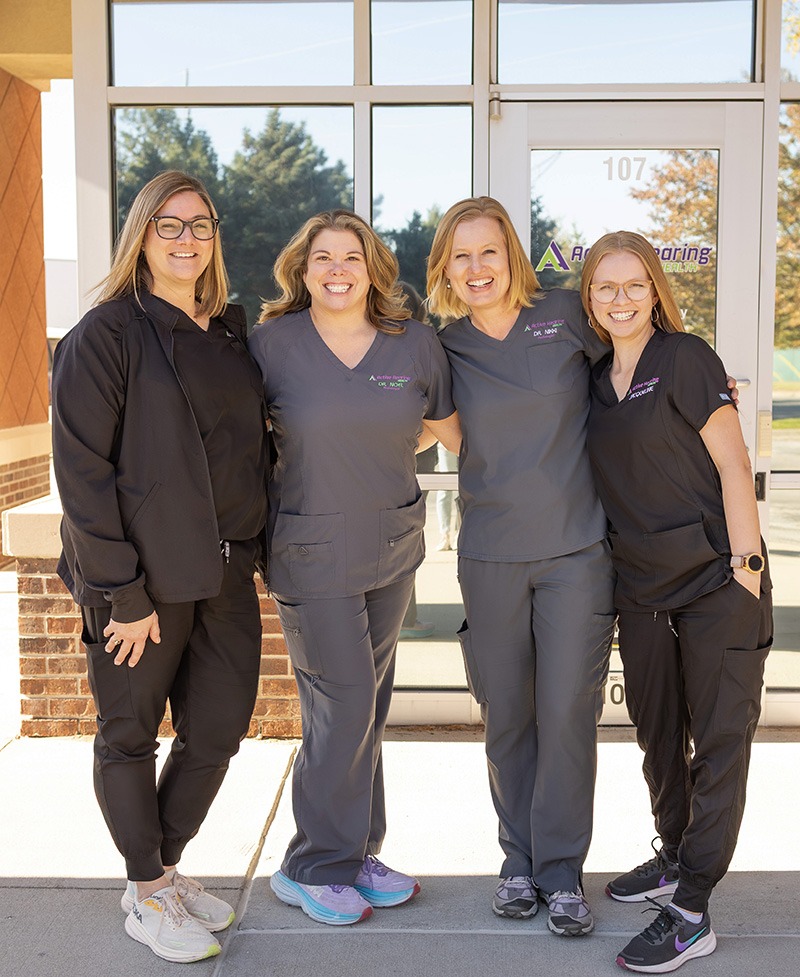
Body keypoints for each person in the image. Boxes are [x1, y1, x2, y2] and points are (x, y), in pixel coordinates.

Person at [51, 171, 268, 964]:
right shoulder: (106, 334)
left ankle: (163, 869)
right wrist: (122, 593)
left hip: (224, 575)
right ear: (141, 236)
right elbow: (81, 473)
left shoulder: (227, 337)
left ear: (215, 238)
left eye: (200, 226)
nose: (186, 240)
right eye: (169, 226)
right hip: (141, 585)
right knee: (129, 735)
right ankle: (146, 889)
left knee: (217, 731)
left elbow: (250, 456)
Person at [248, 210, 460, 927]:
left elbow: (453, 428)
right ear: (300, 272)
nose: (337, 270)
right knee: (341, 706)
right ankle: (311, 864)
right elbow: (229, 439)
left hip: (392, 550)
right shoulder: (271, 346)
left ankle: (357, 849)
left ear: (374, 267)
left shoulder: (416, 344)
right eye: (322, 259)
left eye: (351, 257)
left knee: (366, 705)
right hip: (309, 555)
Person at [580, 231, 772, 973]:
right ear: (590, 298)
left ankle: (692, 909)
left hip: (717, 585)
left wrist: (748, 565)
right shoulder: (595, 376)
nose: (619, 298)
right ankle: (672, 855)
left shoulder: (687, 359)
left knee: (718, 747)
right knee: (659, 738)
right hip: (643, 589)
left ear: (656, 289)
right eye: (605, 286)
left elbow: (733, 461)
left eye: (633, 285)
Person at [426, 196, 617, 937]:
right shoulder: (444, 347)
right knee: (507, 715)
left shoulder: (568, 315)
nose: (477, 268)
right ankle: (519, 859)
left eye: (489, 251)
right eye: (461, 255)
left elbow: (634, 369)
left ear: (513, 255)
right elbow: (418, 421)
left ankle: (563, 873)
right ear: (446, 267)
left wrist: (705, 397)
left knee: (567, 713)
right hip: (489, 555)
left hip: (576, 552)